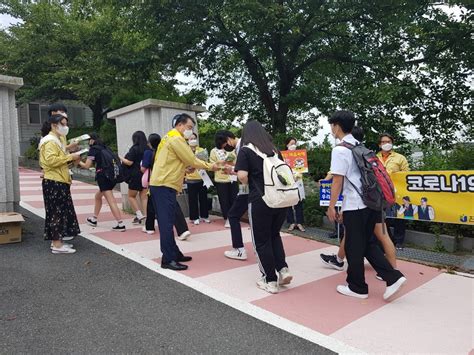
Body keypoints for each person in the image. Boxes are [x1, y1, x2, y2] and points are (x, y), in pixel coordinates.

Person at [326, 111, 406, 301]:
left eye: (331, 125)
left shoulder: (340, 149)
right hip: (371, 203)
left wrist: (331, 206)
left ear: (337, 126)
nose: (331, 129)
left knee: (354, 245)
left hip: (355, 205)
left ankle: (358, 287)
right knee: (367, 243)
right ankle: (392, 277)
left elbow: (337, 180)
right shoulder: (359, 146)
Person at [320, 126, 398, 272]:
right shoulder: (368, 153)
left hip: (365, 203)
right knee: (356, 234)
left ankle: (392, 272)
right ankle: (339, 259)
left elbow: (341, 180)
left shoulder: (348, 152)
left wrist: (333, 206)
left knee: (374, 239)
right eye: (382, 141)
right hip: (374, 199)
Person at [149, 113, 220, 271]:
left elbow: (176, 162)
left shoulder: (169, 138)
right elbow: (191, 160)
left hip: (164, 184)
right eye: (189, 127)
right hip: (163, 185)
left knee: (169, 219)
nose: (190, 131)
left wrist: (186, 168)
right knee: (167, 223)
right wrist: (211, 166)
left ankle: (174, 253)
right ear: (180, 125)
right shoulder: (176, 139)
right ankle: (167, 259)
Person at [235, 120, 293, 294]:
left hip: (260, 200)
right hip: (281, 200)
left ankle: (270, 280)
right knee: (274, 235)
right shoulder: (274, 151)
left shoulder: (245, 150)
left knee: (261, 241)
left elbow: (243, 176)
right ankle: (283, 269)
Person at [38, 114, 82, 254]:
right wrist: (70, 156)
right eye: (63, 124)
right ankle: (57, 244)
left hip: (59, 180)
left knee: (59, 212)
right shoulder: (50, 141)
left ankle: (57, 242)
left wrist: (71, 156)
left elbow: (59, 159)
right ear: (54, 125)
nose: (65, 127)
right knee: (56, 212)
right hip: (54, 181)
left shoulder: (57, 139)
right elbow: (51, 161)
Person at [142, 133, 191, 241]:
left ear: (150, 143)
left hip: (156, 182)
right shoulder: (165, 151)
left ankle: (150, 227)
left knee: (152, 204)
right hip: (170, 181)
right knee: (173, 204)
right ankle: (182, 229)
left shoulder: (149, 153)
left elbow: (143, 168)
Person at [79, 133, 126, 231]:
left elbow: (87, 165)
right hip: (112, 177)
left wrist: (77, 161)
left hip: (103, 177)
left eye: (89, 140)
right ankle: (94, 218)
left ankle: (120, 224)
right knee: (98, 196)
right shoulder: (106, 148)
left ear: (92, 140)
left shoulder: (93, 150)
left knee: (111, 200)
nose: (88, 142)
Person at [217, 130, 249, 260]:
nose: (227, 148)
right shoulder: (251, 144)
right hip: (259, 188)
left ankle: (239, 249)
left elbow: (243, 175)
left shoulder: (241, 148)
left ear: (228, 139)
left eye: (225, 145)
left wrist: (233, 171)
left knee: (233, 215)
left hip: (248, 187)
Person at [376, 133, 409, 250]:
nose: (386, 144)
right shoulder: (375, 158)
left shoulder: (400, 158)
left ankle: (399, 241)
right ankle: (389, 241)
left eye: (388, 141)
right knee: (384, 218)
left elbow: (407, 175)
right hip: (380, 193)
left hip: (397, 192)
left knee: (399, 216)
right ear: (379, 144)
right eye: (383, 142)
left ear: (392, 143)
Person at [210, 132, 239, 228]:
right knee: (224, 200)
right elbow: (211, 165)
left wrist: (231, 163)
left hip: (233, 178)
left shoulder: (232, 149)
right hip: (221, 179)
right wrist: (220, 163)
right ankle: (227, 218)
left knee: (234, 198)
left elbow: (237, 161)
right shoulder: (214, 151)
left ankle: (234, 217)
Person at [121, 131, 148, 225]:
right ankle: (146, 217)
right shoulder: (147, 148)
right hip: (145, 175)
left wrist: (120, 158)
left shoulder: (134, 149)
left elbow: (129, 162)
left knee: (131, 196)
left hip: (135, 175)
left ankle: (139, 214)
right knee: (144, 197)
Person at [185, 133, 210, 225]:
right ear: (187, 140)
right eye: (191, 139)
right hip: (191, 179)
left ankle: (205, 215)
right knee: (192, 199)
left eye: (194, 138)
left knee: (203, 198)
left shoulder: (202, 150)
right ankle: (194, 217)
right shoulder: (185, 151)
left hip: (202, 177)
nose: (193, 140)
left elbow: (206, 162)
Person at [284, 137, 305, 232]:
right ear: (287, 144)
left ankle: (299, 222)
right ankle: (291, 222)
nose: (293, 145)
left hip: (298, 180)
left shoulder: (299, 155)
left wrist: (298, 175)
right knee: (289, 202)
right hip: (288, 181)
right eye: (291, 143)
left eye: (295, 143)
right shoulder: (283, 156)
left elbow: (302, 168)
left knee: (298, 202)